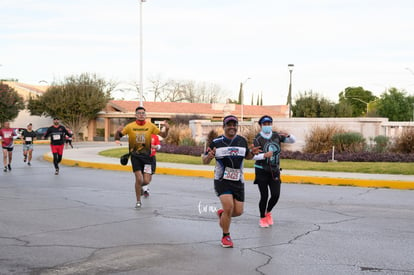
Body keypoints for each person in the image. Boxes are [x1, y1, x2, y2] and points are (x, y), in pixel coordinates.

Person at [202, 115, 259, 248]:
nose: (232, 127)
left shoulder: (242, 141)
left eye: (235, 124)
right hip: (222, 180)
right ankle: (225, 236)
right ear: (224, 126)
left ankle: (223, 215)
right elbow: (204, 161)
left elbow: (248, 156)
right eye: (229, 124)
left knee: (238, 212)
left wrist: (253, 153)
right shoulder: (216, 142)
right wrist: (209, 157)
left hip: (238, 180)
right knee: (229, 207)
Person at [115, 106, 169, 209]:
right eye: (139, 113)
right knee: (139, 179)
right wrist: (117, 131)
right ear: (135, 115)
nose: (141, 115)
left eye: (143, 113)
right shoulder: (130, 126)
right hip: (135, 156)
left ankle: (139, 187)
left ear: (145, 115)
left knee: (147, 181)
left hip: (147, 157)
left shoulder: (151, 126)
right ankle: (138, 201)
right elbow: (117, 137)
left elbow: (163, 135)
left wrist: (167, 128)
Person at [252, 115, 296, 228]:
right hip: (262, 170)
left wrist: (288, 135)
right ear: (261, 126)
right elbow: (253, 156)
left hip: (275, 170)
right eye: (265, 124)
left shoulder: (276, 135)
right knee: (264, 196)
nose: (267, 126)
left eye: (269, 124)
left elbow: (292, 140)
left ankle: (268, 212)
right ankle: (262, 218)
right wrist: (264, 155)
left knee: (276, 195)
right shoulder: (257, 139)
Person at [142, 134, 161, 198]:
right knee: (146, 173)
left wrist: (154, 147)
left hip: (152, 157)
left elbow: (159, 146)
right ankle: (145, 190)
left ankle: (144, 186)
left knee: (150, 174)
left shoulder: (155, 136)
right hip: (145, 157)